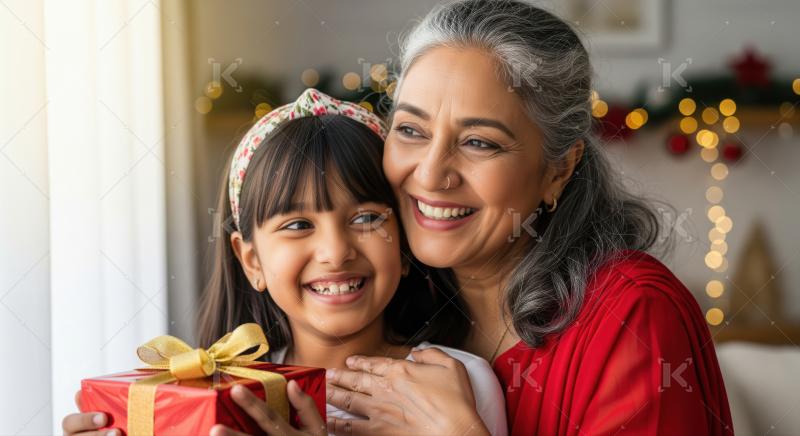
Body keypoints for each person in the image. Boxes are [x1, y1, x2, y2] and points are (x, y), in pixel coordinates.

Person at [323, 1, 734, 435]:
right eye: (410, 130)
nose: (429, 174)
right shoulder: (389, 304)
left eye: (479, 143)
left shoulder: (632, 315)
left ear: (557, 170)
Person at [62, 89, 507, 436]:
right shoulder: (224, 397)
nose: (335, 252)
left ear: (405, 248)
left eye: (367, 218)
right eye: (297, 225)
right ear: (250, 260)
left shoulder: (455, 384)